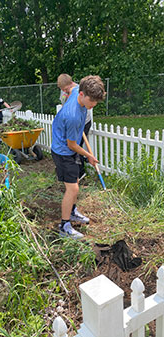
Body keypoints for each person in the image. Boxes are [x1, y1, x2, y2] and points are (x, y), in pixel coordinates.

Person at [51, 75, 106, 239]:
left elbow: (74, 84)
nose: (94, 105)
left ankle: (72, 211)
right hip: (63, 151)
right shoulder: (73, 116)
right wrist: (89, 155)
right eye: (92, 101)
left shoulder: (76, 89)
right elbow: (72, 145)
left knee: (75, 182)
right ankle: (64, 226)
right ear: (82, 95)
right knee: (73, 188)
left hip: (68, 147)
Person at [57, 73, 92, 178]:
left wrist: (78, 123)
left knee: (76, 146)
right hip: (73, 122)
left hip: (83, 122)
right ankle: (75, 171)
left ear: (71, 83)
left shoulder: (79, 91)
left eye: (65, 89)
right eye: (62, 89)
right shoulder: (63, 92)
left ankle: (81, 172)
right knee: (73, 146)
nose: (64, 91)